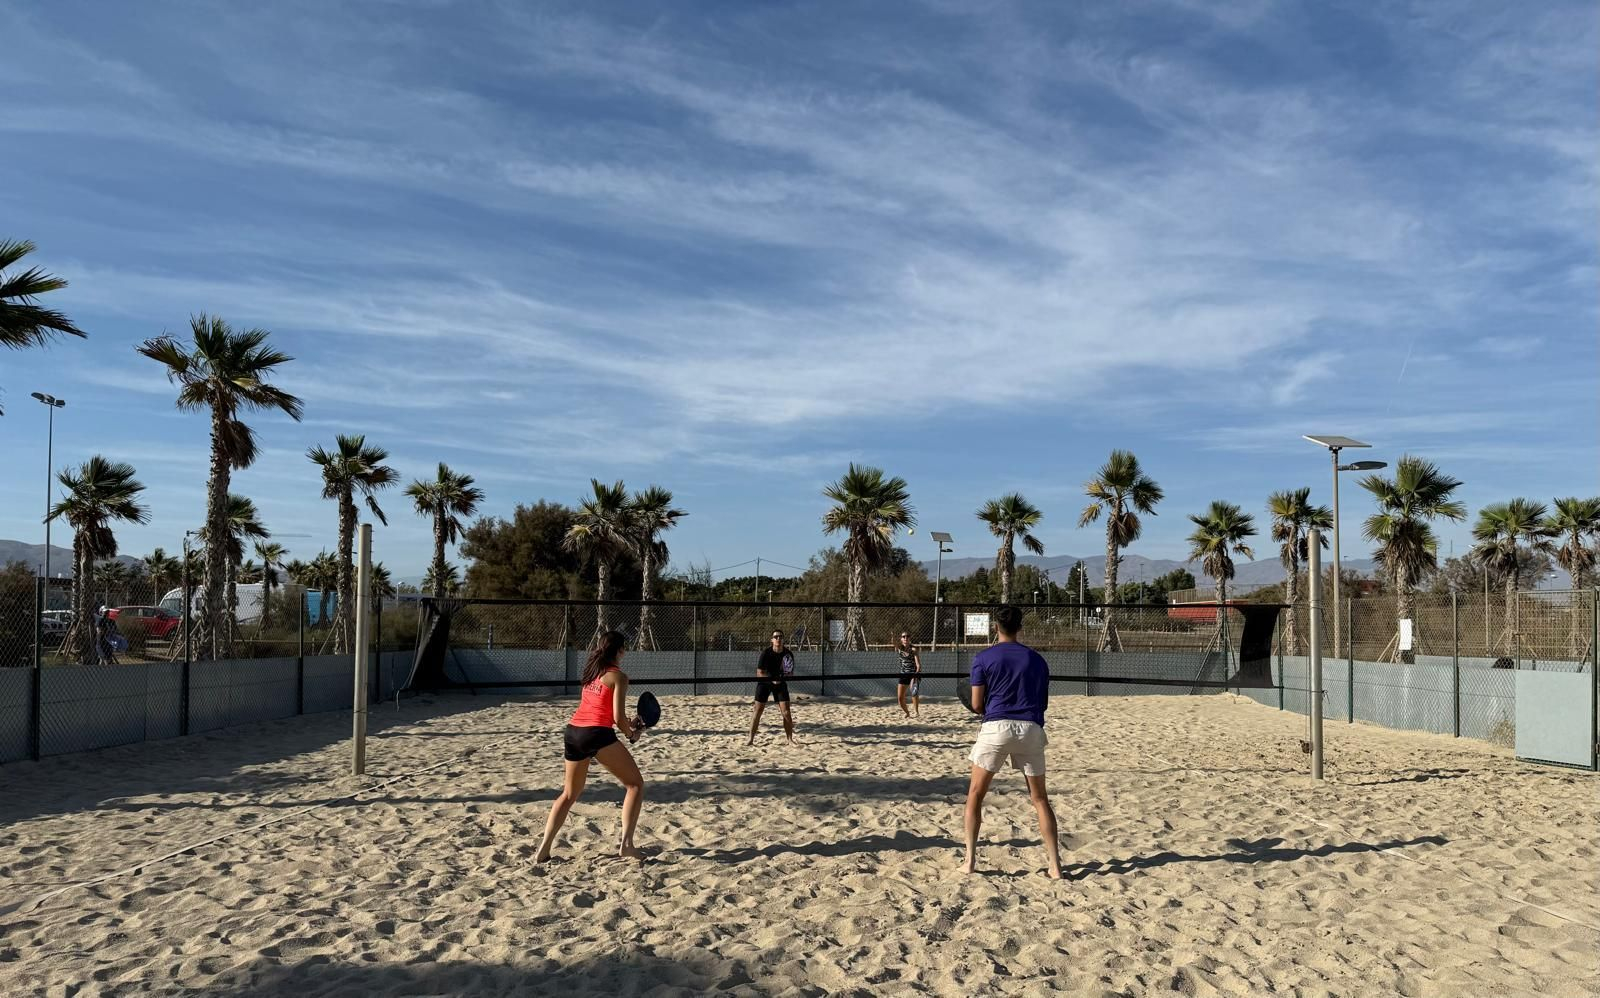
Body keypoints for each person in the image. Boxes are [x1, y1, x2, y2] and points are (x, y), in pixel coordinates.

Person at [963, 604, 1062, 879]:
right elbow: (1042, 704)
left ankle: (969, 861)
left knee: (975, 795)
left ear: (996, 627)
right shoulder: (1038, 660)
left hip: (996, 726)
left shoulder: (984, 658)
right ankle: (1055, 866)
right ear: (1020, 627)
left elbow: (976, 704)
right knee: (1040, 798)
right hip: (1030, 727)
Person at [535, 630, 647, 863]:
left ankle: (543, 849)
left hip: (573, 731)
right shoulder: (619, 677)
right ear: (620, 650)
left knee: (568, 794)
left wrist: (629, 726)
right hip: (596, 733)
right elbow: (617, 718)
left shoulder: (591, 673)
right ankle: (627, 845)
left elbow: (601, 710)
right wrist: (632, 734)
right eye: (624, 648)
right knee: (635, 784)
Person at [747, 629, 796, 745]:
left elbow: (790, 673)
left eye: (780, 637)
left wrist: (781, 678)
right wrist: (771, 680)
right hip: (765, 683)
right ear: (772, 640)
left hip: (780, 684)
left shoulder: (787, 654)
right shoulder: (766, 653)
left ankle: (790, 739)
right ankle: (750, 739)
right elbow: (759, 673)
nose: (778, 639)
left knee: (786, 712)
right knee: (757, 711)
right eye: (776, 637)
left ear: (783, 640)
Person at [895, 631, 922, 718]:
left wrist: (915, 676)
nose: (906, 638)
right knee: (900, 698)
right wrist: (892, 636)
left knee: (914, 693)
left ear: (910, 638)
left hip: (913, 674)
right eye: (903, 636)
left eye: (907, 636)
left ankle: (916, 712)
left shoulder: (913, 649)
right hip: (903, 674)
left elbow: (918, 665)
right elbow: (893, 643)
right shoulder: (899, 648)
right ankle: (907, 712)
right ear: (901, 639)